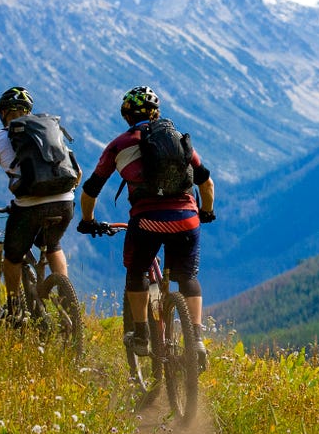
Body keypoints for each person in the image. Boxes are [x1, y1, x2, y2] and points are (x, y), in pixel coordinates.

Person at [76, 85, 215, 370]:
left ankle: (141, 334)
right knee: (187, 277)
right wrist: (206, 212)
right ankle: (197, 338)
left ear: (127, 116)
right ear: (157, 113)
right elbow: (206, 182)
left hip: (147, 222)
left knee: (137, 272)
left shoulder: (118, 145)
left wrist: (87, 220)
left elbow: (90, 189)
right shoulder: (178, 139)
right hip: (188, 220)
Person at [0, 86, 76, 325]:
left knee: (12, 257)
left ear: (3, 113)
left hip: (29, 206)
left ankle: (14, 308)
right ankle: (66, 305)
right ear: (28, 110)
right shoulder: (50, 130)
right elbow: (75, 170)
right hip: (65, 202)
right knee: (53, 245)